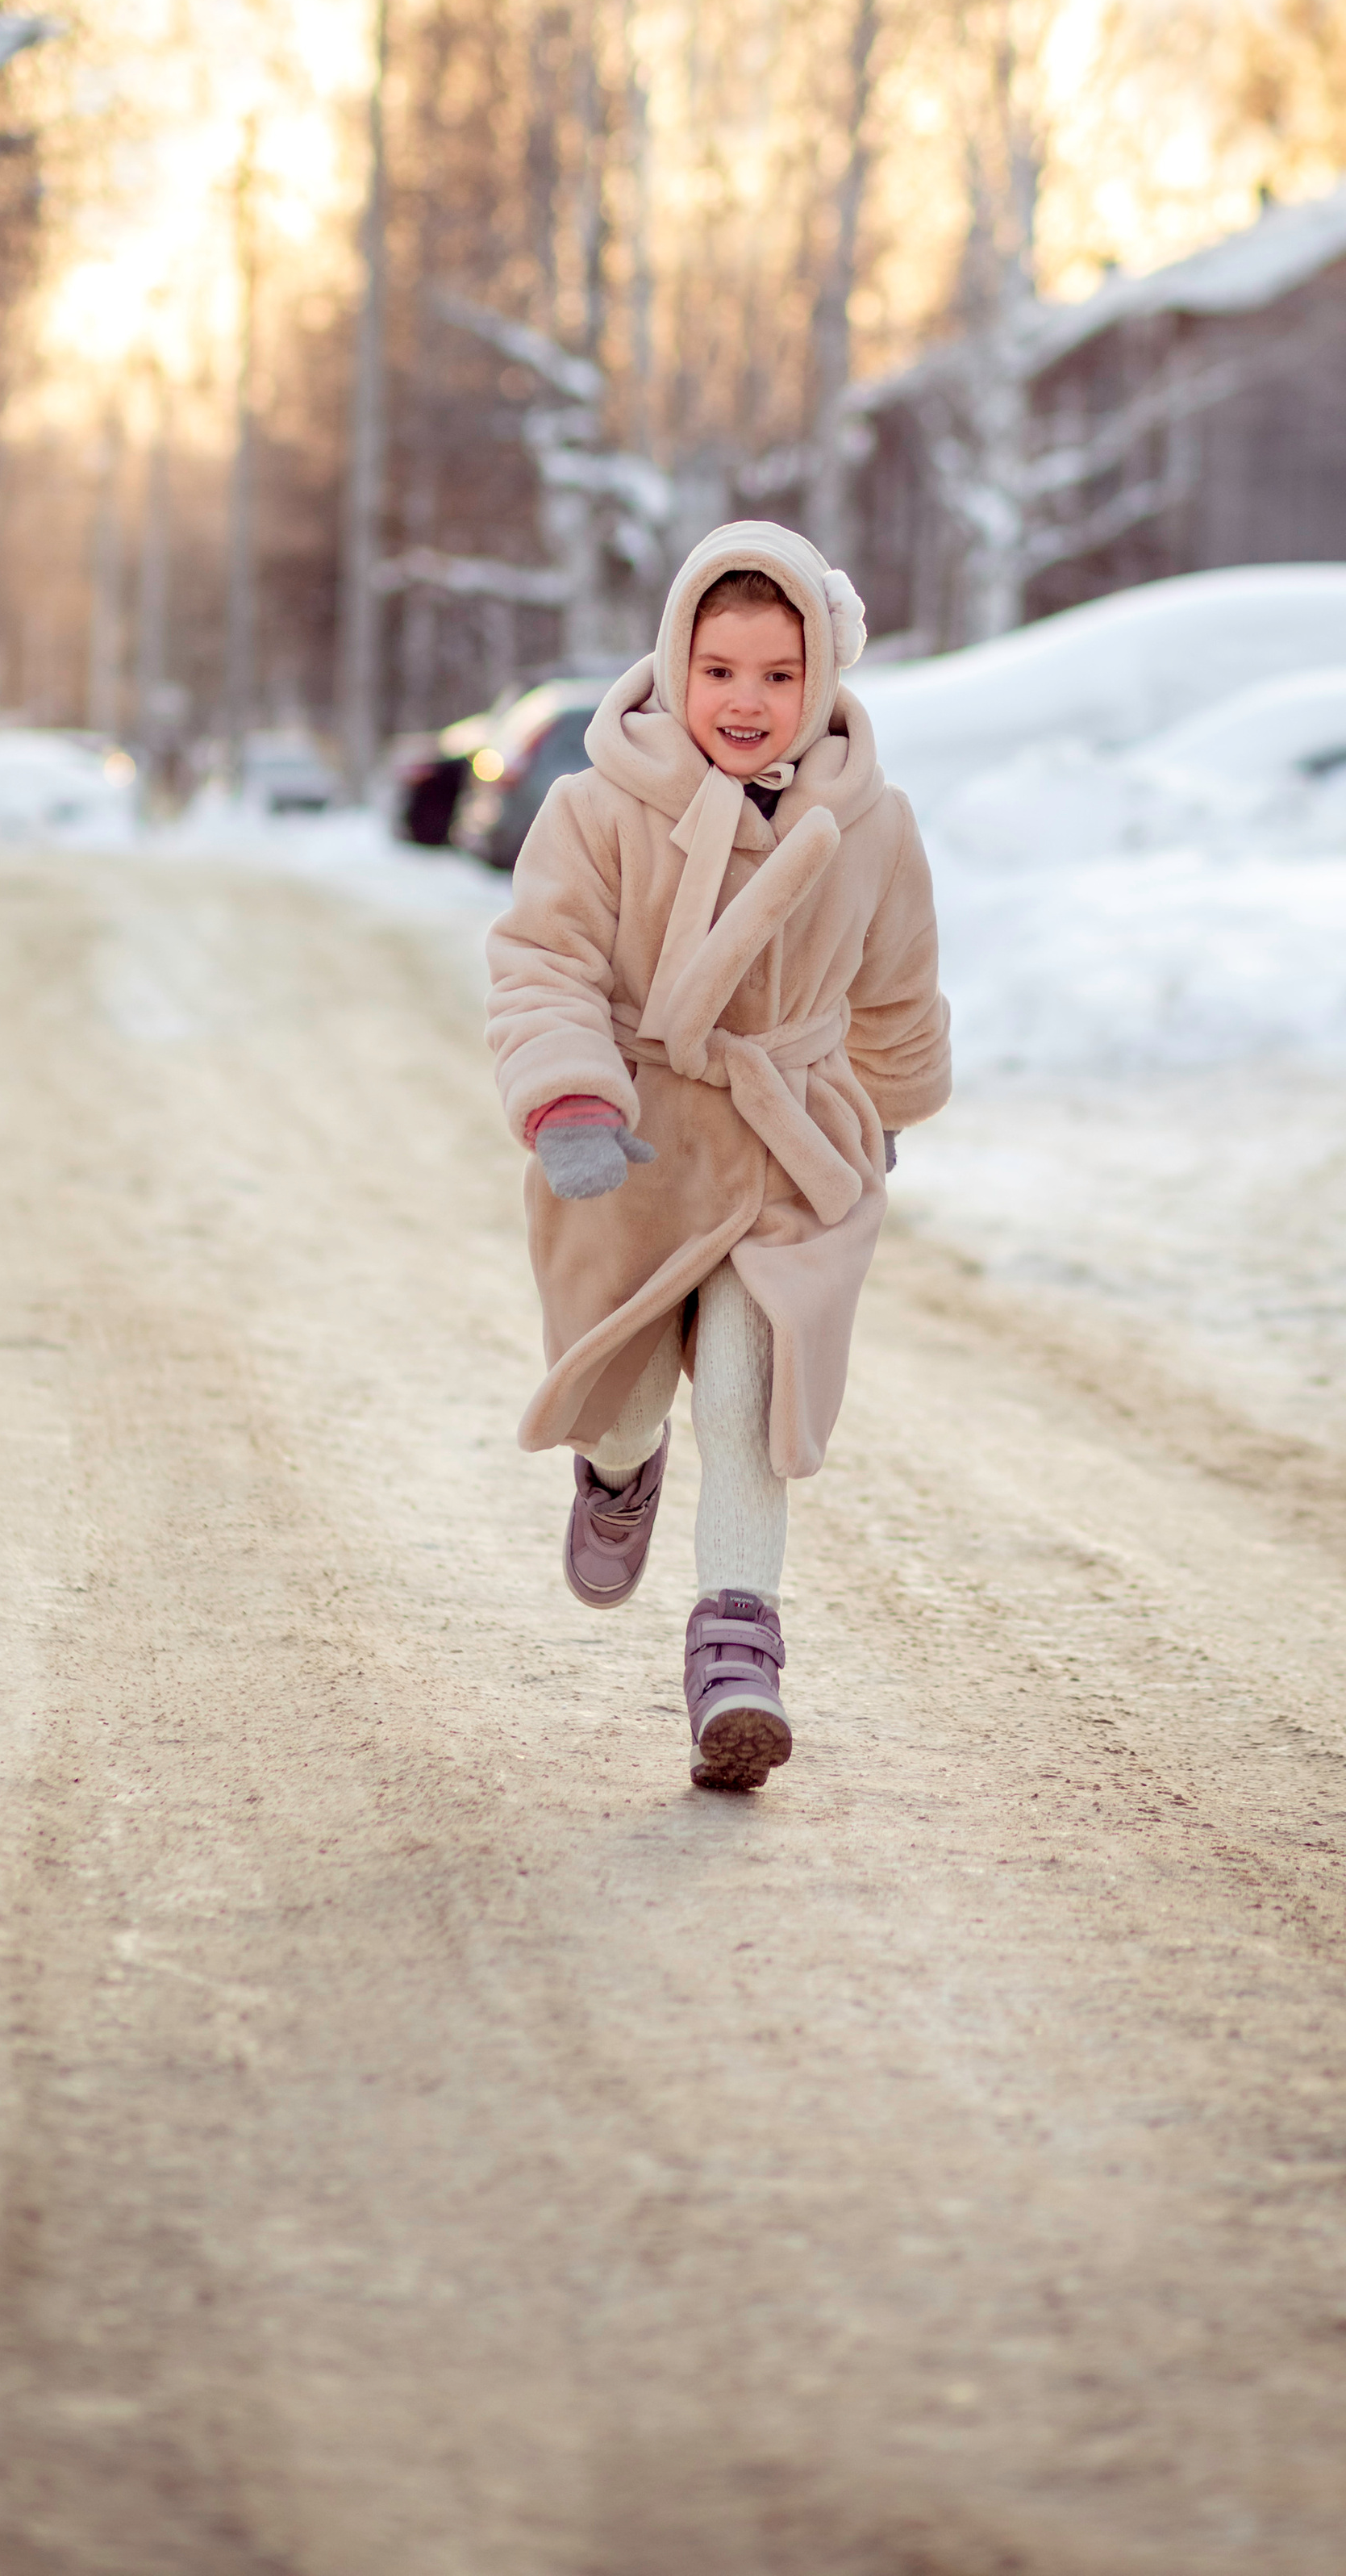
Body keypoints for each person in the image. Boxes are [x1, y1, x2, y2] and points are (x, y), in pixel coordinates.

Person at [485, 521, 951, 1790]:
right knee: (632, 1390)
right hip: (632, 1144)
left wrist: (889, 1110)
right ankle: (618, 1463)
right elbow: (544, 961)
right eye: (722, 670)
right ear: (676, 662)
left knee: (749, 1393)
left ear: (825, 680)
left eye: (780, 675)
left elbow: (900, 989)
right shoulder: (596, 808)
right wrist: (569, 1097)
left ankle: (736, 1667)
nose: (748, 702)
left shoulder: (872, 824)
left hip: (791, 1147)